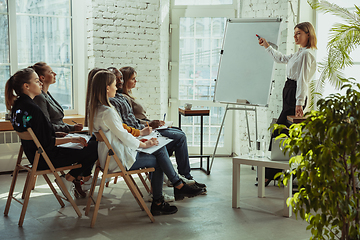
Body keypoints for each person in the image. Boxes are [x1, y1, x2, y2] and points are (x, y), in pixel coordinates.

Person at [87, 70, 204, 216]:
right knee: (159, 157)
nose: (116, 88)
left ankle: (173, 189)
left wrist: (142, 136)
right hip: (117, 159)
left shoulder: (97, 109)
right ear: (106, 88)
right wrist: (144, 144)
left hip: (111, 157)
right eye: (114, 85)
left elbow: (120, 131)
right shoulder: (108, 112)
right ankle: (168, 193)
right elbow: (123, 135)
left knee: (158, 148)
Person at [5, 68, 98, 198]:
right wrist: (73, 139)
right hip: (47, 158)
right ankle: (70, 178)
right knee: (95, 146)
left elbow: (37, 135)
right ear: (26, 86)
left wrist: (57, 134)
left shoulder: (18, 106)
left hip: (34, 156)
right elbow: (47, 143)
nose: (40, 84)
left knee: (90, 144)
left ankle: (73, 178)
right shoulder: (33, 109)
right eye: (37, 81)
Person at [116, 66, 206, 189]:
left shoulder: (129, 95)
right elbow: (132, 122)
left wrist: (152, 122)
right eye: (133, 79)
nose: (135, 81)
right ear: (126, 81)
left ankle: (175, 175)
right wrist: (149, 124)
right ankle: (182, 176)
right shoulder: (123, 98)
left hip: (146, 126)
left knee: (178, 132)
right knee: (179, 137)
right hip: (144, 129)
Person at [258, 22, 317, 185]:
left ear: (308, 34)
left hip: (295, 94)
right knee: (281, 134)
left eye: (299, 33)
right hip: (289, 90)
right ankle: (273, 173)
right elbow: (281, 58)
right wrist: (267, 46)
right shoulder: (299, 53)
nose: (295, 36)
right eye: (294, 33)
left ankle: (270, 175)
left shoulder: (307, 54)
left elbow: (303, 81)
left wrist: (299, 103)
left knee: (281, 134)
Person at [30, 62, 83, 133]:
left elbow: (57, 122)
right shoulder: (39, 98)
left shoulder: (47, 94)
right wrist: (71, 128)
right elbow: (46, 126)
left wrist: (71, 127)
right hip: (55, 138)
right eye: (51, 72)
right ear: (42, 77)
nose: (55, 74)